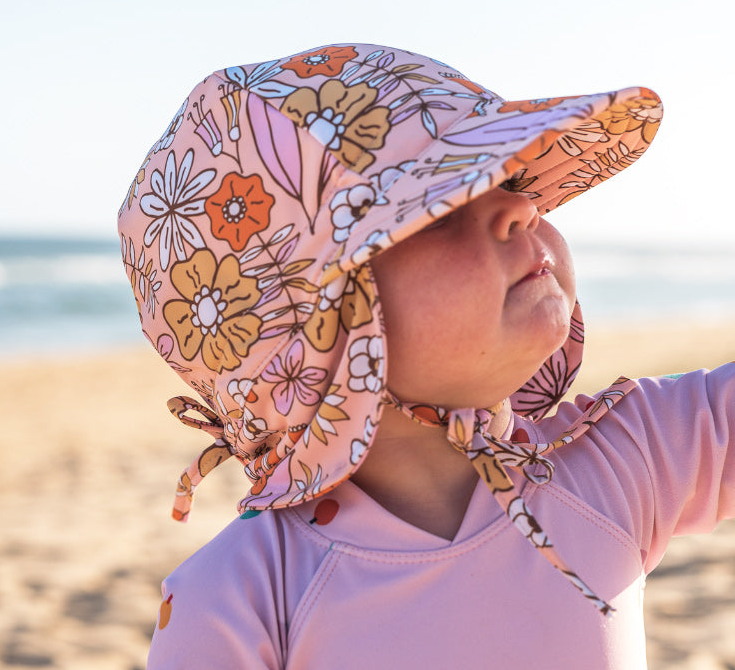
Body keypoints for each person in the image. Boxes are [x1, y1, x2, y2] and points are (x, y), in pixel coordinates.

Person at [117, 43, 734, 668]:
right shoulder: (240, 595)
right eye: (440, 210)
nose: (523, 208)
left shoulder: (628, 455)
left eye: (512, 180)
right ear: (317, 336)